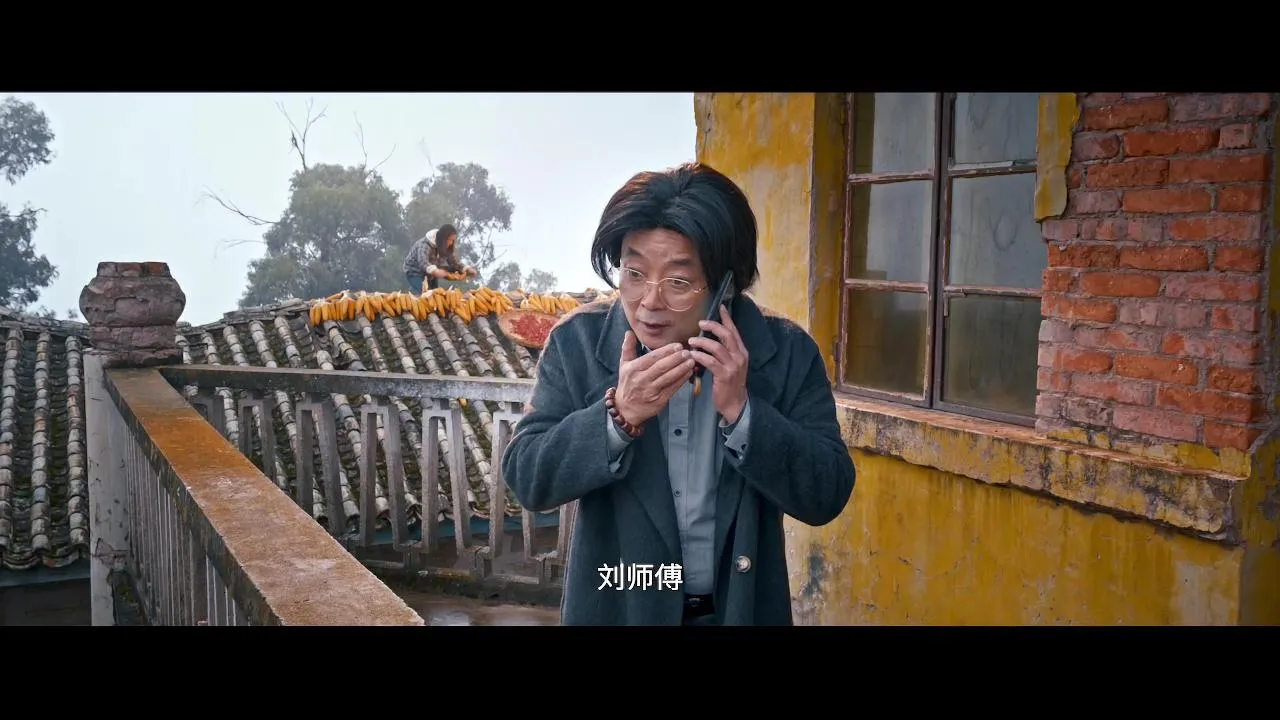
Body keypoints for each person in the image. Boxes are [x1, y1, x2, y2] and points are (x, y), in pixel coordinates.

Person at [501, 162, 856, 626]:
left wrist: (744, 414)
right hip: (621, 608)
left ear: (727, 284)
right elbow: (527, 476)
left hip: (739, 610)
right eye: (634, 273)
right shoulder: (578, 344)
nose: (650, 302)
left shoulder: (786, 352)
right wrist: (617, 416)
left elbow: (827, 493)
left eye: (679, 282)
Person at [403, 223, 477, 292]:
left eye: (453, 240)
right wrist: (436, 271)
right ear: (442, 239)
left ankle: (415, 291)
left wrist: (466, 269)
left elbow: (454, 263)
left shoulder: (447, 247)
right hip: (415, 271)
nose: (451, 243)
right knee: (424, 293)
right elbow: (423, 262)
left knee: (435, 295)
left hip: (431, 273)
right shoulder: (424, 245)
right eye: (449, 240)